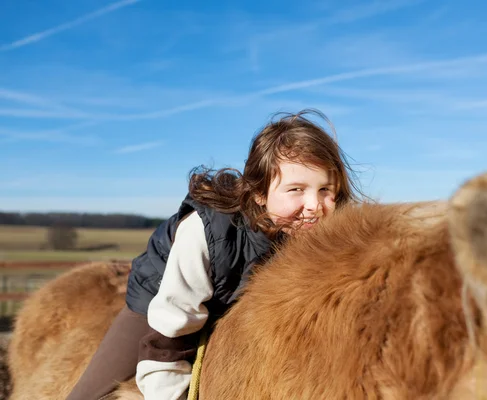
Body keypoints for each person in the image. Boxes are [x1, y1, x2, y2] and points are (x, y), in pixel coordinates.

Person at [65, 109, 363, 400]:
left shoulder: (319, 232)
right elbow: (171, 331)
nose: (314, 205)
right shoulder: (206, 232)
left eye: (326, 189)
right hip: (161, 297)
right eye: (296, 189)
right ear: (259, 193)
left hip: (228, 301)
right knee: (89, 393)